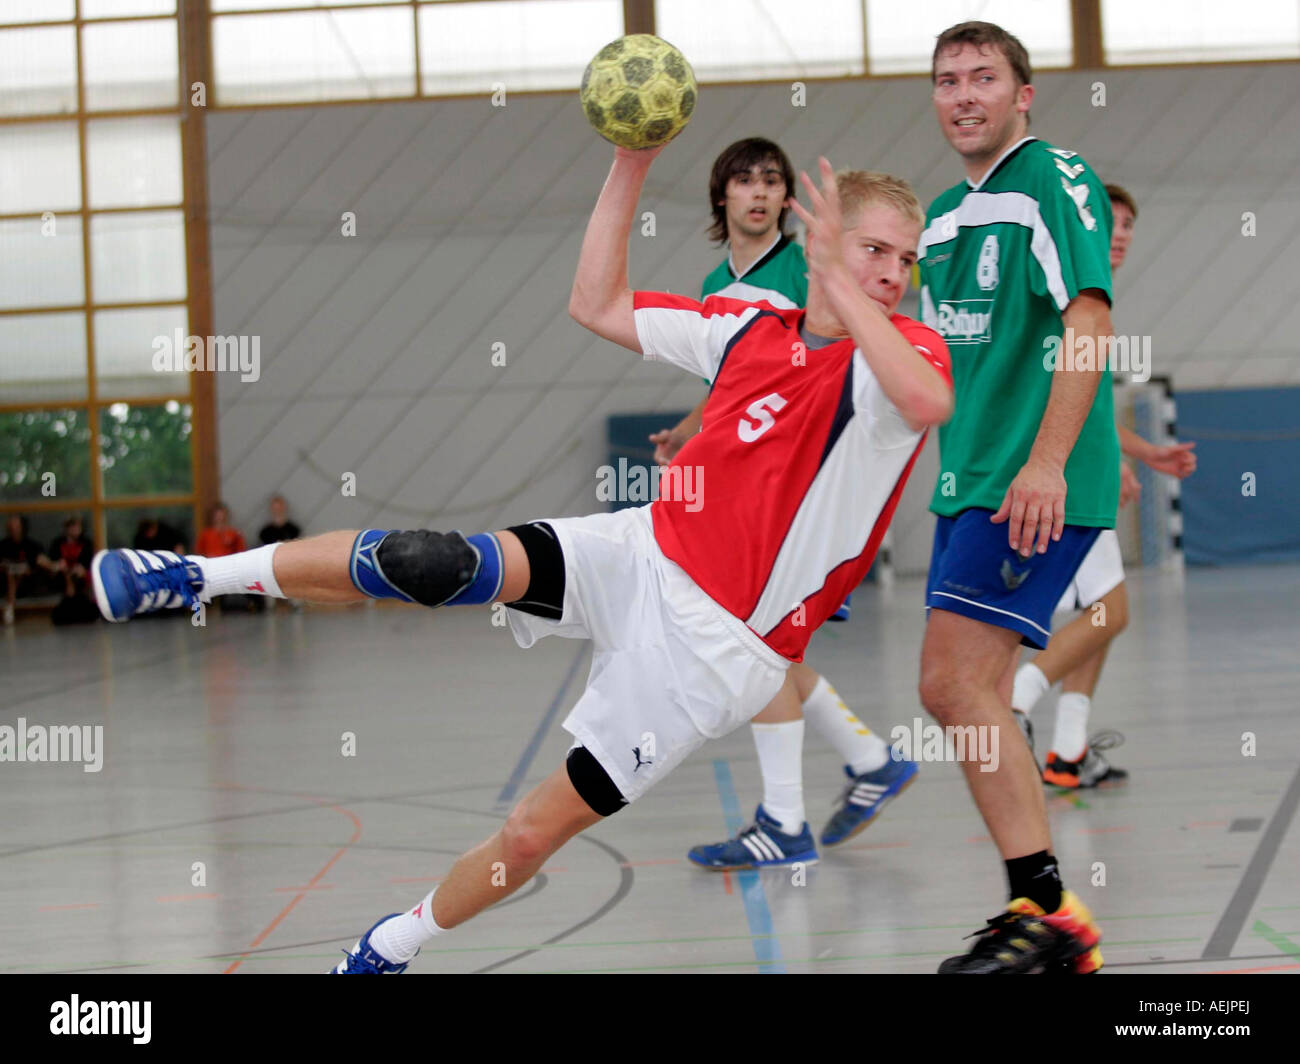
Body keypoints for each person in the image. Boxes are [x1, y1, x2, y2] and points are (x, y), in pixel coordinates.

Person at [91, 144, 952, 974]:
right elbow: (596, 302)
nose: (890, 271)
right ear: (822, 242)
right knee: (430, 561)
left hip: (714, 653)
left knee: (533, 834)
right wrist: (631, 165)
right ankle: (189, 576)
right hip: (642, 550)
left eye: (903, 259)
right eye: (873, 249)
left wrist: (845, 282)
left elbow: (927, 400)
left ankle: (393, 944)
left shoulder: (901, 356)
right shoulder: (748, 326)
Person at [653, 138, 920, 869]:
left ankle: (791, 817)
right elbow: (744, 385)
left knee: (759, 647)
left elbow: (817, 376)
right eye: (745, 181)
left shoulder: (798, 277)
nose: (760, 193)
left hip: (805, 503)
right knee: (766, 649)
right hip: (753, 496)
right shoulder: (720, 280)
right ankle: (865, 764)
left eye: (773, 181)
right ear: (721, 197)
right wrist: (690, 430)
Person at [918, 21, 1121, 973]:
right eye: (948, 80)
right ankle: (1042, 914)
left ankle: (1048, 910)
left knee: (952, 685)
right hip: (971, 482)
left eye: (983, 77)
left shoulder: (1054, 175)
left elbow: (1088, 317)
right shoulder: (943, 222)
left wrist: (1047, 460)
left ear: (1021, 94)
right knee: (977, 690)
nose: (964, 94)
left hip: (1029, 484)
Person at [1011, 184, 1197, 788]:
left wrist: (1144, 453)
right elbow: (1048, 396)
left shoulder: (1095, 302)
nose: (1119, 234)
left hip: (1084, 473)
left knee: (1101, 611)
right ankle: (1013, 699)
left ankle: (1068, 752)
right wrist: (1076, 463)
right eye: (1109, 221)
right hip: (1063, 484)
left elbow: (1092, 412)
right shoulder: (1062, 299)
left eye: (1128, 226)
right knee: (1109, 613)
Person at [195, 502, 259, 612]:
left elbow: (241, 552)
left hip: (229, 567)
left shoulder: (233, 534)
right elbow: (200, 552)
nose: (219, 518)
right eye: (217, 515)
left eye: (222, 515)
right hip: (210, 567)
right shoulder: (206, 534)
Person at [2, 514, 52, 625]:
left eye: (16, 526)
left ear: (22, 527)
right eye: (11, 526)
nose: (13, 528)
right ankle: (10, 605)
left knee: (18, 574)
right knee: (11, 574)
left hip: (29, 582)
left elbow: (41, 563)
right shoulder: (3, 545)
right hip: (6, 582)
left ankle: (10, 606)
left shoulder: (32, 545)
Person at [49, 515, 98, 625]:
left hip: (80, 575)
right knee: (64, 572)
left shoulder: (86, 543)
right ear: (67, 529)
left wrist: (80, 569)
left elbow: (88, 562)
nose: (75, 530)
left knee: (81, 575)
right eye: (72, 527)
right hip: (63, 575)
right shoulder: (57, 543)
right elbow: (55, 561)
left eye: (77, 527)